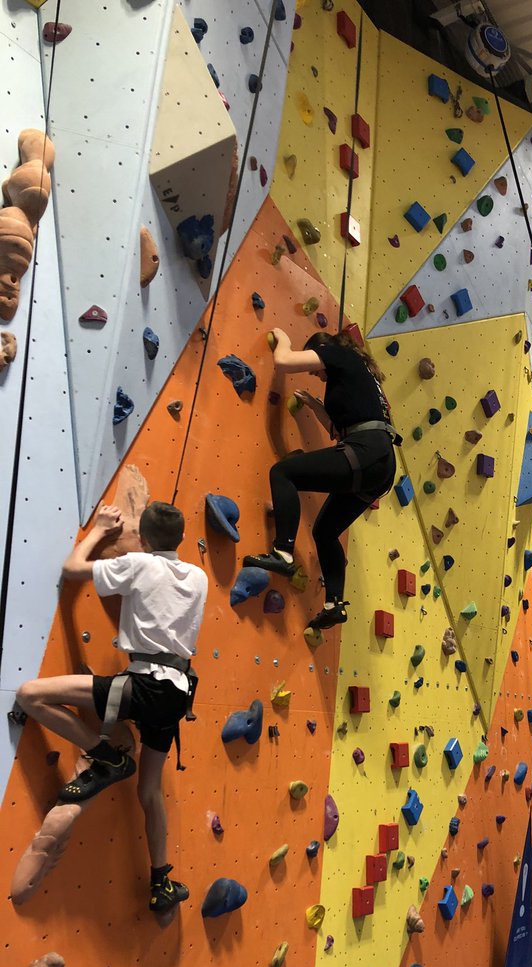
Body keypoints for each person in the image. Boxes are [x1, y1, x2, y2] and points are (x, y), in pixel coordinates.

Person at [14, 501, 207, 913]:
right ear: (182, 538)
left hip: (144, 685)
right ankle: (161, 880)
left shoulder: (138, 564)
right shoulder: (198, 576)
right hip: (176, 694)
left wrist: (101, 530)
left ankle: (106, 757)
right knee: (150, 791)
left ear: (144, 539)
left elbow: (72, 568)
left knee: (30, 695)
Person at [243, 328, 399, 631]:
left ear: (323, 350)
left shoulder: (340, 354)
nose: (316, 374)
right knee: (325, 532)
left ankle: (283, 552)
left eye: (316, 368)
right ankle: (334, 605)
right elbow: (340, 431)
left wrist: (284, 339)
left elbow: (284, 361)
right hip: (378, 464)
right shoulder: (358, 374)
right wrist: (316, 406)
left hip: (366, 452)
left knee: (283, 473)